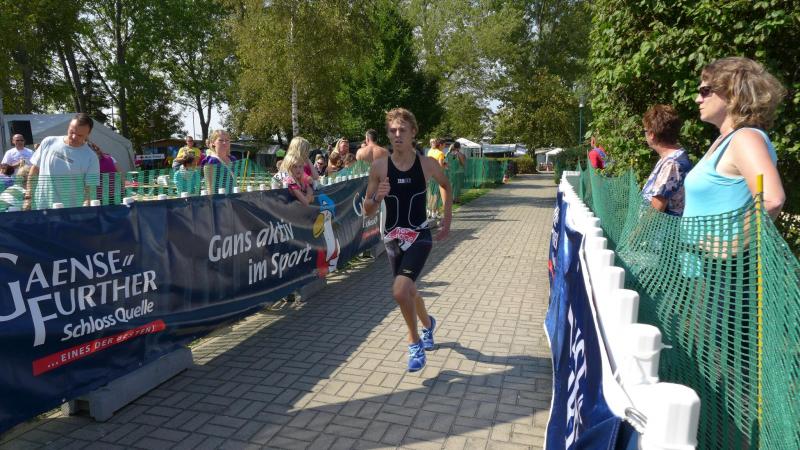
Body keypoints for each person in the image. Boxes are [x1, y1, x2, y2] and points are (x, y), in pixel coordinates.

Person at [363, 108, 452, 372]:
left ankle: (414, 343)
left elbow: (446, 186)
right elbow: (367, 210)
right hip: (392, 238)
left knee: (400, 291)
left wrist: (447, 219)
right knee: (409, 291)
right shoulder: (379, 167)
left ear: (413, 132)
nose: (397, 135)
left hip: (419, 235)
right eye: (392, 131)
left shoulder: (427, 164)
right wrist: (377, 197)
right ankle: (428, 324)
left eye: (402, 130)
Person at [684, 57, 785, 220]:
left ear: (732, 94)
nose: (698, 99)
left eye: (705, 91)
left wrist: (733, 236)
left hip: (722, 239)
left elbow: (771, 200)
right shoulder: (725, 140)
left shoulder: (746, 139)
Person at [25, 113, 100, 209]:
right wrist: (28, 196)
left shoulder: (91, 157)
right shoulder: (48, 142)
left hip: (70, 210)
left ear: (88, 134)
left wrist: (85, 207)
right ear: (68, 127)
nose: (74, 137)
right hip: (41, 206)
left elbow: (90, 188)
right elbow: (35, 169)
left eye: (80, 135)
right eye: (72, 132)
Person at [640, 105, 693, 216]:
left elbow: (654, 212)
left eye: (644, 130)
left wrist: (638, 228)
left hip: (659, 227)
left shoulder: (672, 165)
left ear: (651, 134)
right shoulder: (672, 156)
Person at [202, 129, 237, 194]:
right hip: (218, 198)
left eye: (227, 140)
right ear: (213, 142)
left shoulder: (233, 159)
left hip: (233, 196)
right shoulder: (211, 161)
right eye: (220, 140)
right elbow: (209, 187)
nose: (224, 143)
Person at [426, 138, 447, 219]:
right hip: (436, 176)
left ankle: (429, 210)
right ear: (440, 145)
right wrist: (445, 167)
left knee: (430, 193)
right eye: (444, 145)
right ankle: (434, 212)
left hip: (430, 175)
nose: (444, 146)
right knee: (436, 194)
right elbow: (440, 166)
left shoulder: (430, 151)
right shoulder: (440, 153)